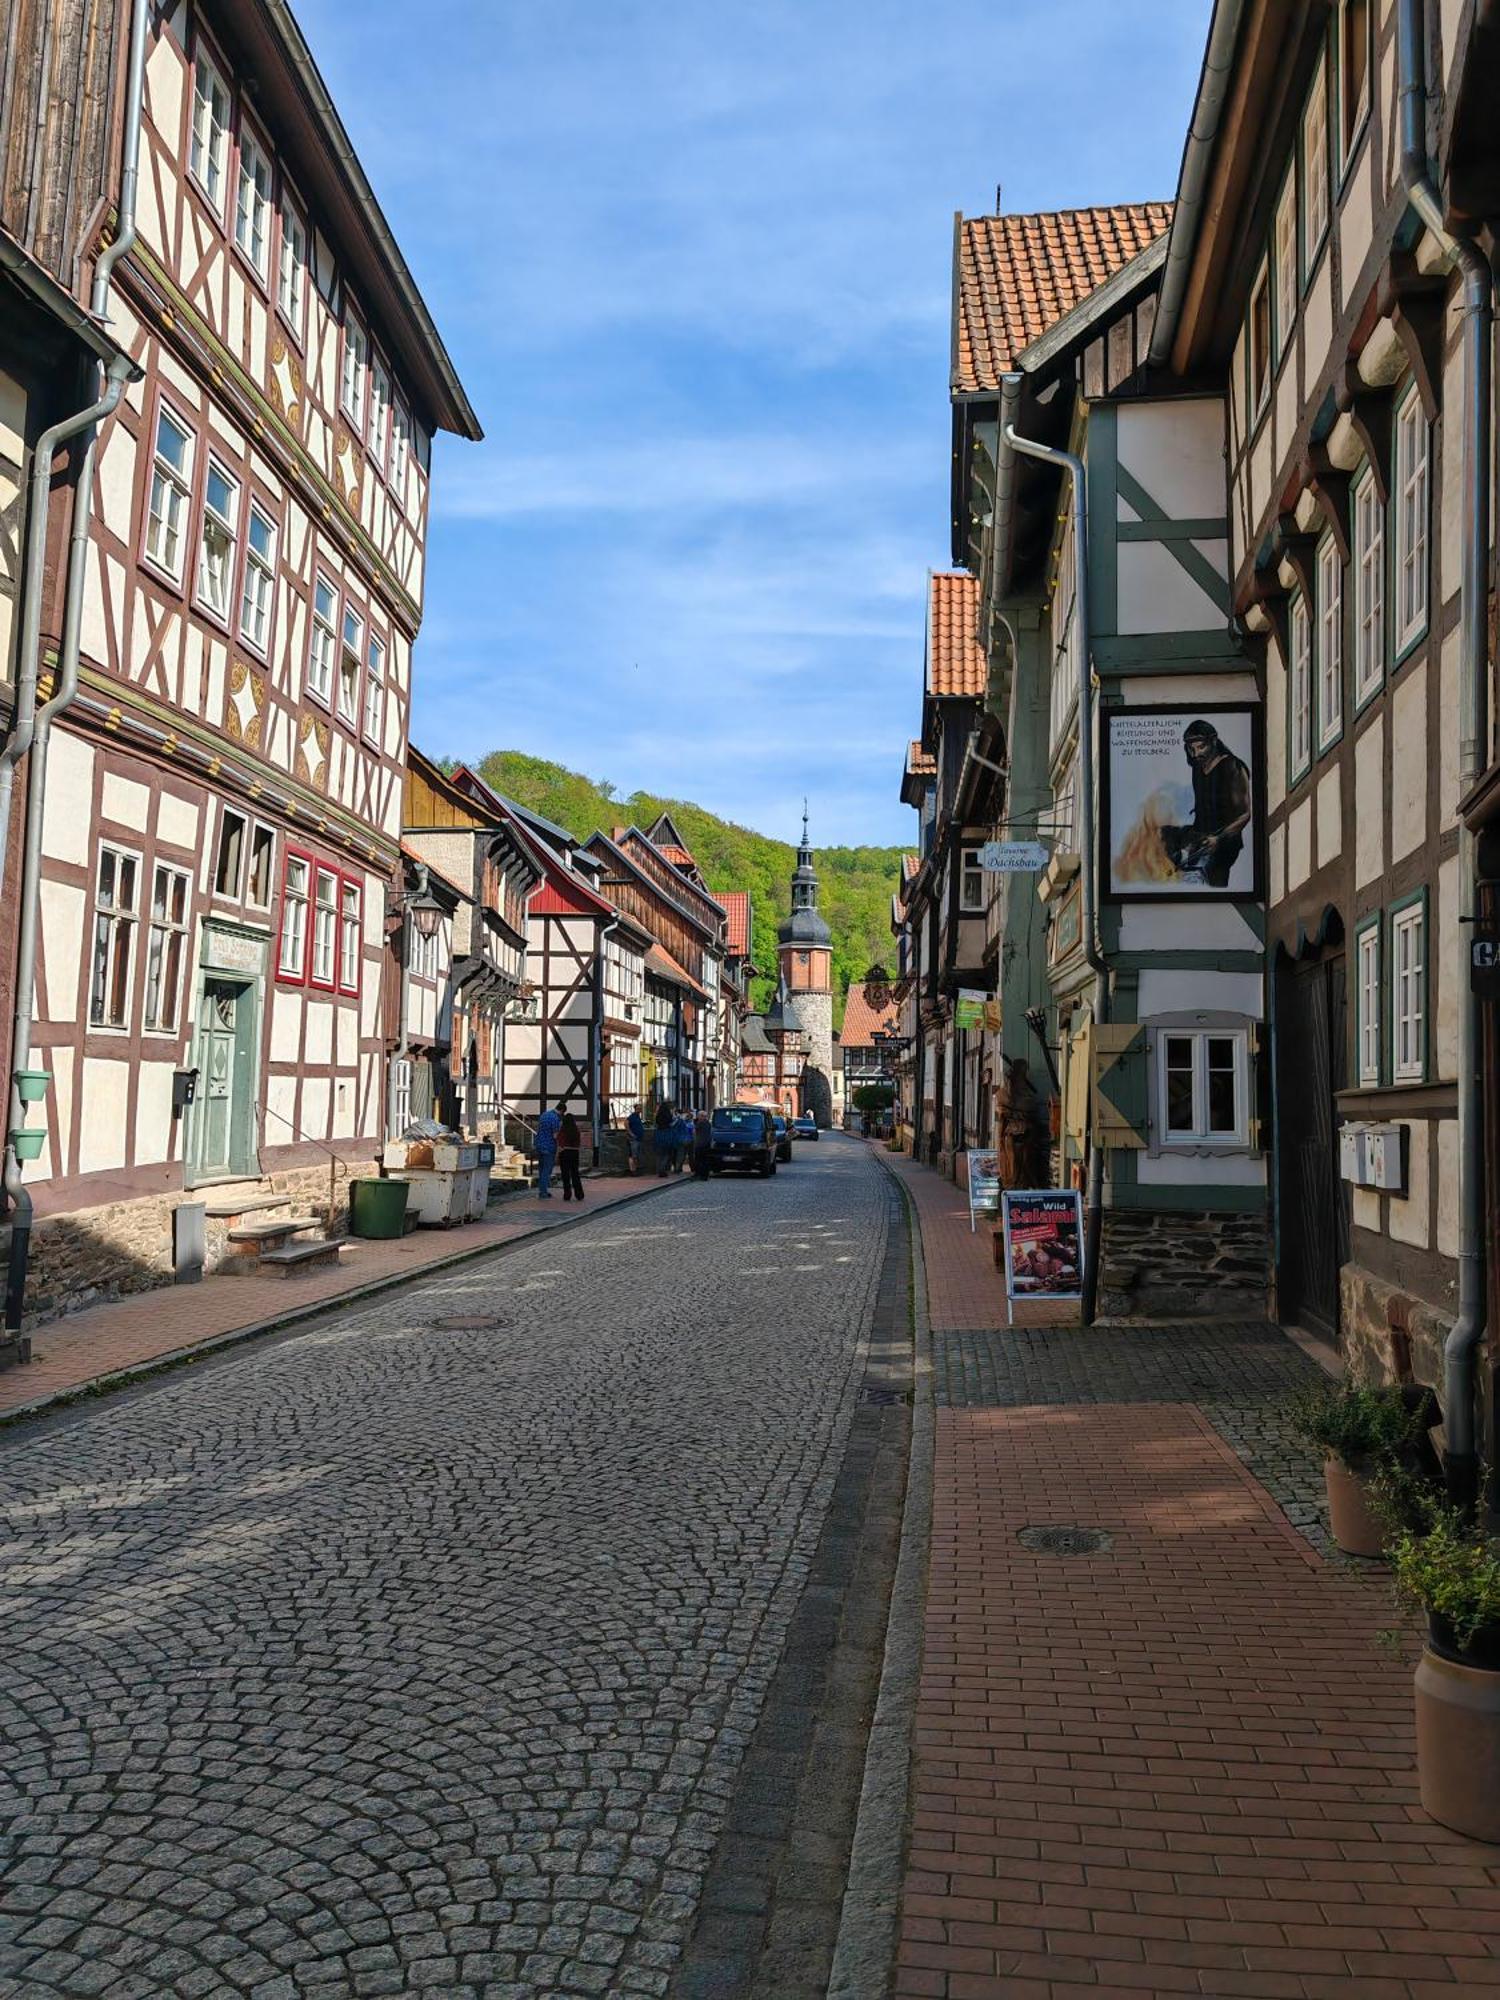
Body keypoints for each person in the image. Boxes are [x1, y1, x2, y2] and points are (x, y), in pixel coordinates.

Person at [1161, 718, 1253, 888]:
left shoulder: (1232, 766)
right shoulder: (1198, 767)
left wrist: (1218, 839)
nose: (1196, 754)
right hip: (1201, 836)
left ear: (1214, 741)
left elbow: (1245, 815)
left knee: (1208, 883)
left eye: (1201, 747)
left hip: (1225, 839)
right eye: (1191, 749)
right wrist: (1189, 845)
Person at [557, 1104, 584, 1202]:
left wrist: (559, 1153)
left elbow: (560, 1142)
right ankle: (579, 1194)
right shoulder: (576, 1131)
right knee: (575, 1174)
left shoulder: (563, 1130)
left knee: (565, 1175)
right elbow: (579, 1142)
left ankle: (567, 1194)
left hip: (565, 1152)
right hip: (575, 1152)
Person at [534, 1101, 560, 1199]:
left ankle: (542, 1190)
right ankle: (543, 1192)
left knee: (541, 1169)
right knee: (547, 1170)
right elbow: (555, 1135)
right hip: (549, 1147)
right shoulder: (555, 1119)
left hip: (539, 1144)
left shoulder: (544, 1115)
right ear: (561, 1111)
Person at [654, 1100, 675, 1176]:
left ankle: (658, 1169)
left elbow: (656, 1122)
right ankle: (662, 1169)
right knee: (666, 1154)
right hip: (666, 1134)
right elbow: (671, 1122)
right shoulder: (668, 1114)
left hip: (659, 1134)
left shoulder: (658, 1115)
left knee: (659, 1154)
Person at [691, 1109, 713, 1180]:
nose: (698, 1117)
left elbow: (694, 1132)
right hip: (707, 1144)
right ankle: (705, 1175)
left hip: (700, 1144)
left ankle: (699, 1174)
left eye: (698, 1116)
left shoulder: (699, 1123)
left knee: (699, 1160)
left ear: (701, 1116)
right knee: (705, 1160)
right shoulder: (708, 1123)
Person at [626, 1103, 645, 1175]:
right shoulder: (632, 1116)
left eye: (640, 1108)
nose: (640, 1110)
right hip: (634, 1139)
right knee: (633, 1155)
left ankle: (635, 1169)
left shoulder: (638, 1116)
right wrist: (631, 1133)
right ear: (635, 1109)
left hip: (638, 1138)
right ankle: (632, 1171)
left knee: (636, 1155)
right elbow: (626, 1123)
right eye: (638, 1108)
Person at [673, 1109, 693, 1173]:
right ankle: (679, 1168)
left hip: (680, 1139)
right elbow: (691, 1131)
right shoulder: (689, 1123)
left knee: (680, 1154)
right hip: (687, 1139)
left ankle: (678, 1168)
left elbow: (674, 1129)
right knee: (683, 1155)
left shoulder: (678, 1121)